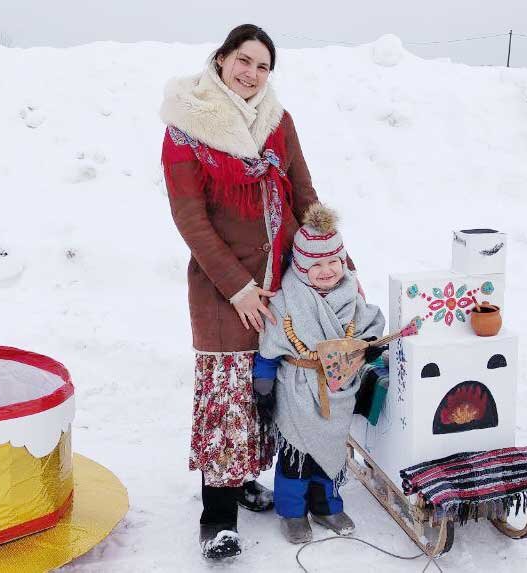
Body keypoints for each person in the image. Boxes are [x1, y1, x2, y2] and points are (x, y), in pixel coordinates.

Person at [160, 23, 332, 560]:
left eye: (262, 66)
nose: (251, 74)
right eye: (244, 60)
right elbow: (191, 220)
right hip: (222, 292)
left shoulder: (278, 123)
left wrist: (331, 255)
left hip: (282, 286)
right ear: (221, 58)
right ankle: (218, 515)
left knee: (266, 394)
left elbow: (304, 194)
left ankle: (244, 480)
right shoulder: (186, 128)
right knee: (226, 400)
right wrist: (237, 288)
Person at [253, 204, 385, 544]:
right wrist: (263, 383)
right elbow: (271, 343)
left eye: (333, 262)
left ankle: (327, 505)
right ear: (300, 266)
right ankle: (292, 513)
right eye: (316, 265)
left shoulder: (351, 293)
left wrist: (369, 344)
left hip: (338, 387)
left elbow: (370, 324)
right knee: (296, 458)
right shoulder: (287, 300)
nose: (327, 271)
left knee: (330, 451)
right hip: (297, 388)